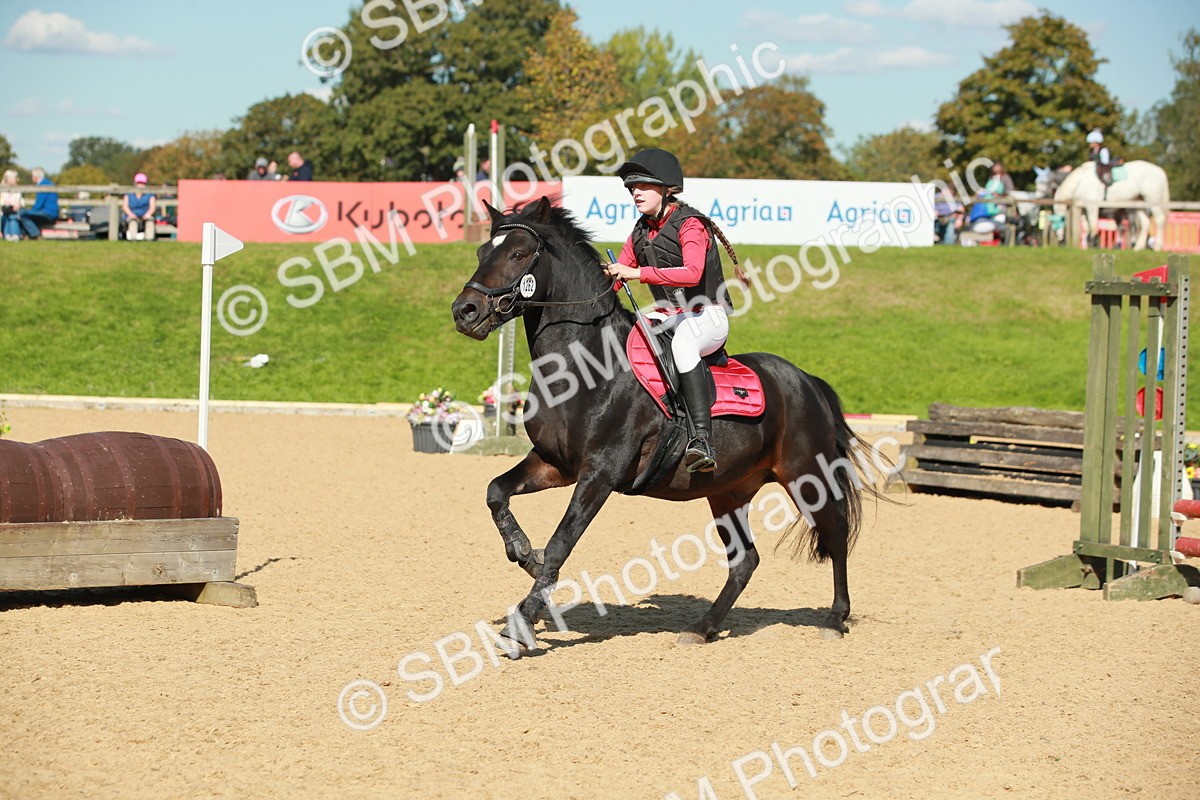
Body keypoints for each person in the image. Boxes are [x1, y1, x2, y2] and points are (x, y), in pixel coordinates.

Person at [604, 148, 748, 474]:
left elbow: (692, 273)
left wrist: (637, 274)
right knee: (627, 337)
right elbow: (617, 276)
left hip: (707, 316)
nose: (635, 192)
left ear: (666, 188)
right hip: (669, 314)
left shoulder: (691, 225)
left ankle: (701, 439)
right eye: (631, 188)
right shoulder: (640, 230)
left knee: (684, 341)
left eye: (642, 186)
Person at [18, 167, 58, 239]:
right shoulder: (48, 183)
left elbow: (39, 205)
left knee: (22, 213)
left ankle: (34, 234)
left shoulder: (43, 186)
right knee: (24, 215)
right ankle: (26, 234)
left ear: (36, 177)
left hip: (48, 213)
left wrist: (29, 211)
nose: (31, 178)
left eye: (32, 176)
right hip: (51, 213)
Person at [122, 173, 157, 240]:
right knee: (132, 222)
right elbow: (125, 206)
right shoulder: (129, 194)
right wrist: (131, 214)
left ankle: (149, 239)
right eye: (139, 183)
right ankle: (133, 239)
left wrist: (147, 214)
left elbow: (152, 207)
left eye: (143, 183)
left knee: (150, 221)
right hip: (132, 215)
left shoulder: (150, 194)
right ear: (135, 183)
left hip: (146, 215)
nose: (140, 185)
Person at [1086, 129, 1117, 193]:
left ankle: (1107, 186)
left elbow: (1105, 162)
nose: (1090, 144)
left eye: (1091, 142)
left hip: (1103, 169)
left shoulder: (1103, 150)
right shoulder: (1093, 151)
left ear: (1096, 142)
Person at [1, 169, 24, 241]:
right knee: (5, 216)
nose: (16, 180)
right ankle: (8, 234)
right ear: (8, 179)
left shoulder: (17, 189)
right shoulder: (2, 188)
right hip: (3, 210)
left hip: (14, 210)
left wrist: (18, 204)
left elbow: (22, 202)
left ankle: (14, 235)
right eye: (15, 178)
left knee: (13, 216)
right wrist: (4, 203)